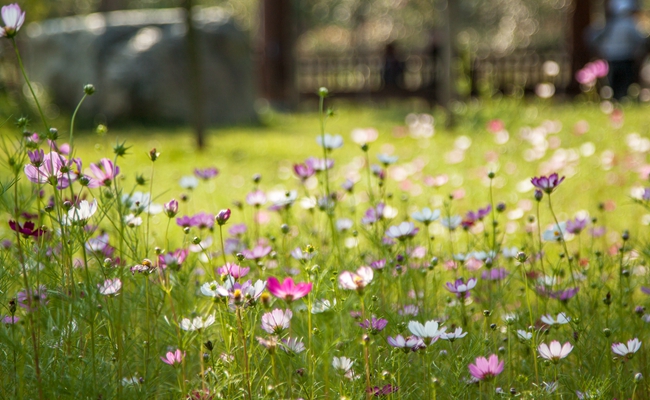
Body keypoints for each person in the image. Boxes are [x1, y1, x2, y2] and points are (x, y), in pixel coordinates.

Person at [588, 0, 647, 99]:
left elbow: (592, 37)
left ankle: (616, 101)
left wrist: (600, 49)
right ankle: (622, 101)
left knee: (614, 84)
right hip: (626, 59)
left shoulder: (609, 24)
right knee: (625, 84)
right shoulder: (629, 24)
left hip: (611, 59)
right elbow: (640, 39)